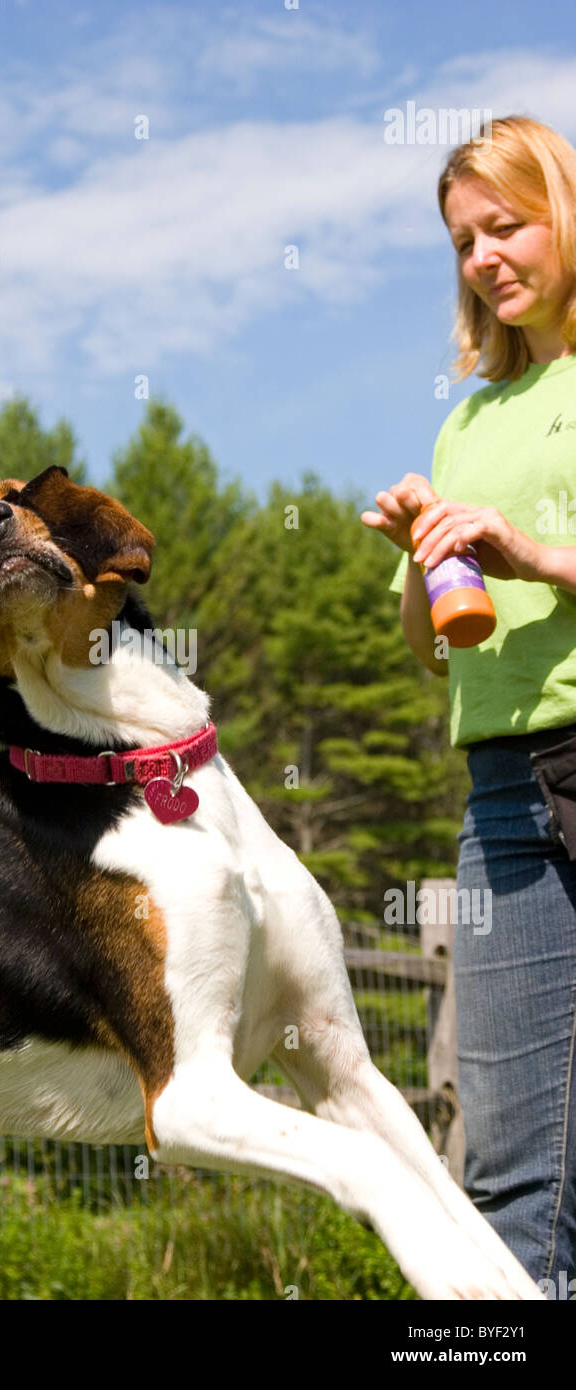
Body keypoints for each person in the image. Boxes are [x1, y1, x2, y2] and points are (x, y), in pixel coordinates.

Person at [361, 114, 576, 1293]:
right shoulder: (465, 421)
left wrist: (534, 553)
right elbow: (422, 640)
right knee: (511, 1168)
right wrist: (422, 553)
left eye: (507, 224)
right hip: (501, 795)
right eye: (460, 241)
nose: (484, 256)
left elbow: (540, 561)